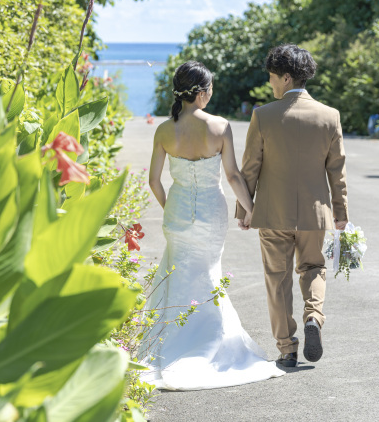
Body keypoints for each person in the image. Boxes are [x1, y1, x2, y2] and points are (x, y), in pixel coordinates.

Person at [138, 60, 284, 390]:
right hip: (210, 212)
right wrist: (252, 209)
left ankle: (169, 340)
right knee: (207, 271)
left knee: (178, 273)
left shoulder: (164, 129)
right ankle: (208, 339)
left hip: (176, 213)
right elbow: (233, 176)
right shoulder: (220, 126)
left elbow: (153, 181)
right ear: (203, 92)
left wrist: (169, 208)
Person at [236, 44, 349, 368]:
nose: (271, 84)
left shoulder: (263, 115)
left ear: (285, 78)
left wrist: (245, 212)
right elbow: (337, 172)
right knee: (313, 268)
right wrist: (340, 214)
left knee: (277, 278)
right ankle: (314, 316)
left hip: (273, 214)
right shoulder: (330, 117)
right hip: (315, 215)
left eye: (273, 77)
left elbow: (250, 169)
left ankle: (287, 348)